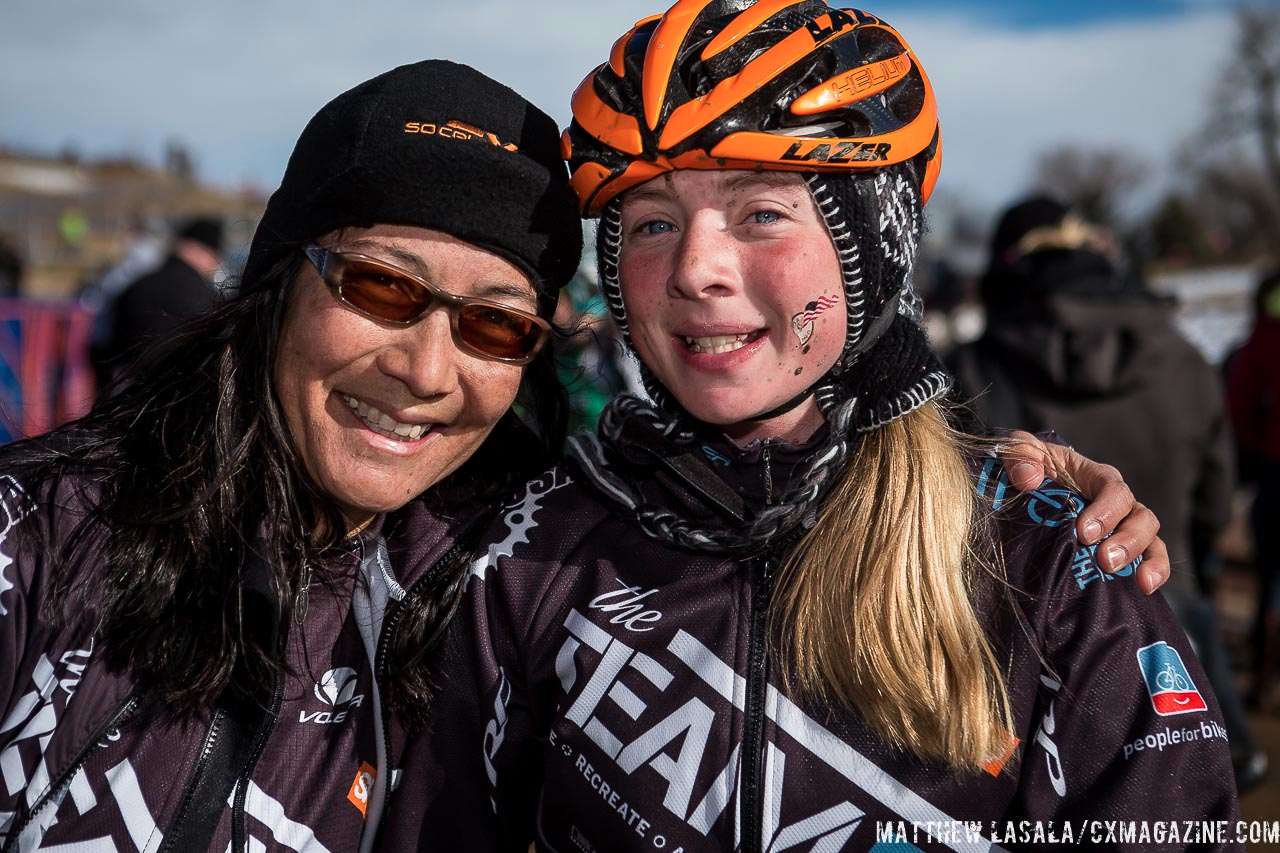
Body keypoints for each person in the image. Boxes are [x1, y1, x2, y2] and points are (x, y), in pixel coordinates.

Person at [383, 3, 1238, 850]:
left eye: (762, 213)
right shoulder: (532, 546)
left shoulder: (1046, 553)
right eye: (652, 225)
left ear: (874, 246)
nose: (695, 269)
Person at [0, 59, 582, 852]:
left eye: (495, 325)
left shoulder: (503, 615)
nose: (425, 370)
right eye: (382, 286)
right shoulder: (37, 535)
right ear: (279, 285)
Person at [948, 195, 1266, 793]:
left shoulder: (974, 368)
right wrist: (1188, 558)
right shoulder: (1186, 361)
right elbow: (1216, 498)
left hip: (1026, 656)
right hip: (1173, 602)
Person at [1227, 269, 1280, 712]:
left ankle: (1262, 680)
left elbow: (1240, 409)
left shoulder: (1261, 340)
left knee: (1269, 580)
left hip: (1273, 472)